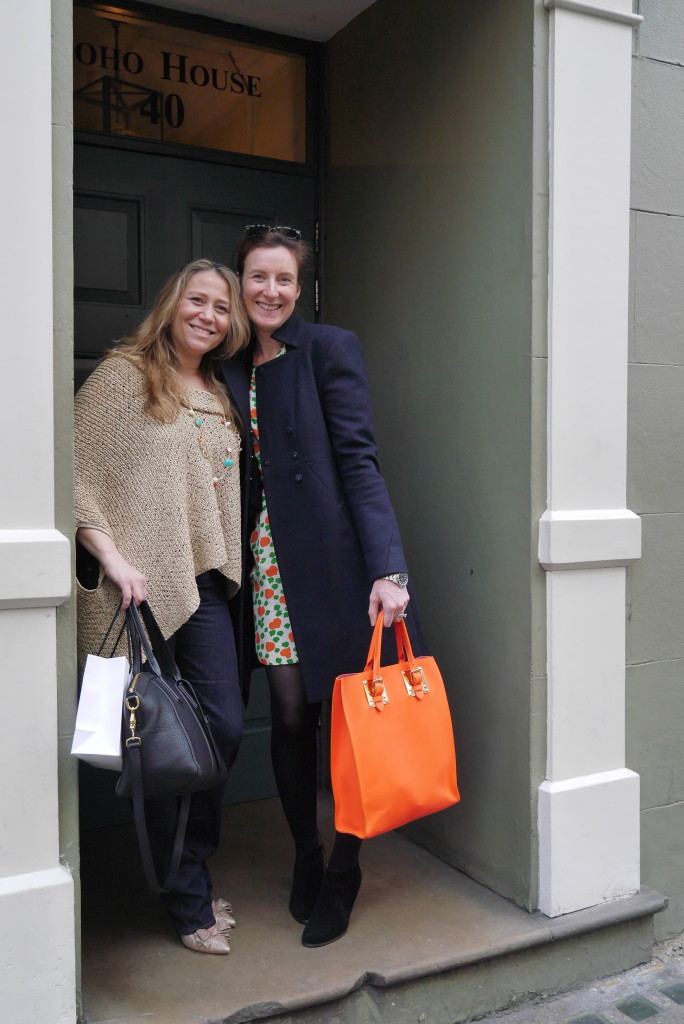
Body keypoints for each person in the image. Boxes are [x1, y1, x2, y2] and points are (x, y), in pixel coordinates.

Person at [221, 225, 426, 948]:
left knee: (349, 726)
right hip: (267, 569)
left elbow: (360, 462)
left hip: (337, 568)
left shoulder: (329, 350)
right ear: (239, 282)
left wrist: (388, 569)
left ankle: (345, 867)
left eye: (282, 278)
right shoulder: (229, 364)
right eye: (256, 277)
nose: (268, 291)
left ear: (299, 286)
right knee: (287, 719)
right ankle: (306, 855)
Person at [74, 258, 250, 956]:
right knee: (158, 744)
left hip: (203, 582)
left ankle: (191, 877)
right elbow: (75, 474)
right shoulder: (124, 375)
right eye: (197, 301)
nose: (208, 314)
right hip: (139, 585)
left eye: (220, 307)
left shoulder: (222, 390)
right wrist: (114, 558)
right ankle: (186, 899)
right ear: (172, 305)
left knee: (220, 731)